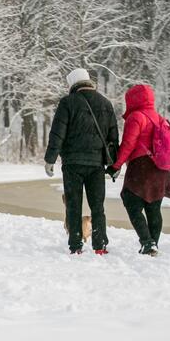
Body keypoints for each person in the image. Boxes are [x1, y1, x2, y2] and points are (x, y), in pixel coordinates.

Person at [44, 68, 119, 255]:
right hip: (96, 164)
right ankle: (100, 246)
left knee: (73, 205)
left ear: (72, 84)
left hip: (72, 164)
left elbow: (57, 133)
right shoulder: (105, 103)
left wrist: (50, 159)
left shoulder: (67, 103)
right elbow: (113, 138)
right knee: (97, 207)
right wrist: (115, 164)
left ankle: (76, 245)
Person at [106, 85, 170, 257]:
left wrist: (116, 165)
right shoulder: (160, 118)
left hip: (141, 167)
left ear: (133, 100)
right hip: (161, 169)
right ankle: (153, 244)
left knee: (131, 201)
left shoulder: (136, 117)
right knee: (154, 207)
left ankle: (147, 242)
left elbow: (128, 145)